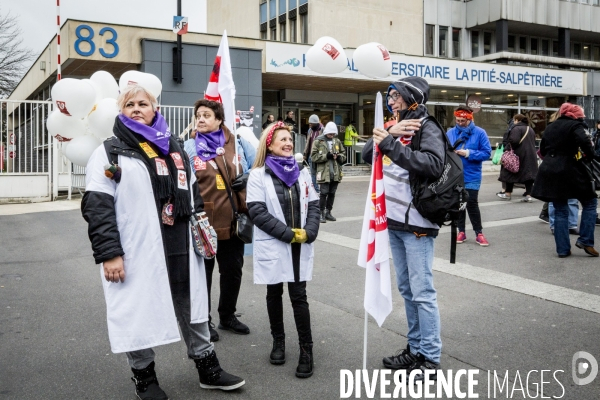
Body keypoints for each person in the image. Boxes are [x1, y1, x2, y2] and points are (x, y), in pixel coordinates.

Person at [81, 85, 245, 399]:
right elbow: (97, 206)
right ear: (121, 111)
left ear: (155, 109)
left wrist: (202, 231)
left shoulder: (174, 148)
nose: (136, 108)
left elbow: (194, 196)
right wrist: (110, 253)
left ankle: (207, 368)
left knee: (193, 308)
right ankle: (145, 378)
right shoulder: (110, 151)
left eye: (143, 103)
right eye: (129, 104)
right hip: (137, 249)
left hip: (180, 245)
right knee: (137, 311)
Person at [362, 76, 444, 378]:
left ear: (413, 99)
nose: (391, 101)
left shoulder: (428, 127)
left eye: (396, 96)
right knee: (408, 290)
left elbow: (433, 164)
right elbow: (366, 156)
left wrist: (390, 144)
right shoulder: (393, 126)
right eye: (390, 96)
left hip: (418, 224)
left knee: (422, 292)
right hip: (393, 222)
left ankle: (431, 358)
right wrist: (388, 135)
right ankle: (414, 349)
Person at [246, 122, 321, 378]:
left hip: (300, 245)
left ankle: (306, 349)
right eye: (282, 139)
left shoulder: (302, 171)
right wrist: (288, 234)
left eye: (290, 139)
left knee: (299, 297)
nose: (288, 143)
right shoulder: (258, 174)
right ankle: (278, 341)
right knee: (274, 292)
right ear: (269, 144)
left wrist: (310, 231)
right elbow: (256, 211)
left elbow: (314, 205)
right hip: (276, 243)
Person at [183, 99, 254, 343]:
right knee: (205, 275)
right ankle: (205, 320)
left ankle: (228, 316)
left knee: (233, 271)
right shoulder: (189, 147)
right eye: (198, 115)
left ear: (219, 119)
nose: (201, 119)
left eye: (206, 115)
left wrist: (246, 179)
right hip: (204, 221)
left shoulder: (237, 142)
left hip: (233, 220)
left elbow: (257, 166)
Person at [532, 103, 598, 258]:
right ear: (576, 115)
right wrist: (588, 156)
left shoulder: (551, 127)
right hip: (572, 169)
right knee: (590, 202)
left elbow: (543, 149)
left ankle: (562, 249)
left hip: (550, 170)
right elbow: (586, 145)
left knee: (560, 210)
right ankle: (586, 241)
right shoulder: (576, 126)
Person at [446, 105, 492, 246]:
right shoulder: (450, 133)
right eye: (458, 120)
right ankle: (461, 232)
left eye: (463, 121)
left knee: (471, 203)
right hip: (454, 174)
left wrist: (468, 153)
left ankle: (479, 233)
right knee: (459, 204)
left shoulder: (480, 133)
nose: (460, 123)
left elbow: (487, 153)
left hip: (472, 174)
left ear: (470, 119)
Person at [497, 114, 538, 202]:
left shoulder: (516, 128)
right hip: (530, 155)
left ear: (516, 120)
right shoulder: (529, 129)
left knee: (510, 171)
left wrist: (507, 147)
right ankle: (529, 195)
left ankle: (508, 193)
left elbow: (514, 141)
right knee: (528, 175)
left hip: (518, 155)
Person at [311, 121, 346, 223]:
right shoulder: (318, 141)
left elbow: (343, 154)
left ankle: (328, 212)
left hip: (335, 172)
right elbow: (313, 157)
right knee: (323, 193)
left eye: (333, 134)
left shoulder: (337, 141)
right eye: (330, 134)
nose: (332, 136)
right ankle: (321, 213)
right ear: (326, 132)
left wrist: (339, 156)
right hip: (323, 172)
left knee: (332, 193)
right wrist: (327, 156)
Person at [303, 114, 323, 193]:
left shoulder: (322, 130)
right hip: (311, 155)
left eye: (311, 123)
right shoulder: (310, 130)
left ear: (316, 123)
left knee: (320, 173)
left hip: (320, 156)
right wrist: (305, 154)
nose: (310, 125)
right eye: (309, 123)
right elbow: (308, 142)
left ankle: (322, 189)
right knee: (313, 173)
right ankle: (316, 189)